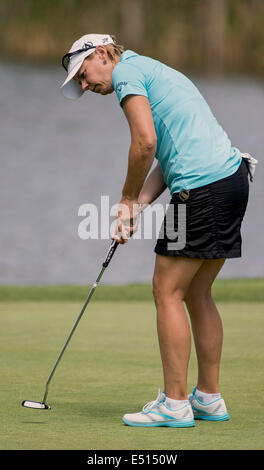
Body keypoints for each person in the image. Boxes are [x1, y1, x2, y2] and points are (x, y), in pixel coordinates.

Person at [61, 34, 253, 428]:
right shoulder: (153, 70)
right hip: (231, 181)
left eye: (82, 74)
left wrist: (127, 198)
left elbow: (144, 143)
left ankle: (175, 403)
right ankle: (208, 398)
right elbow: (168, 154)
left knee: (166, 291)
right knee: (197, 291)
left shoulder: (128, 74)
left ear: (101, 54)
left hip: (200, 189)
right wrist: (136, 209)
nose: (85, 85)